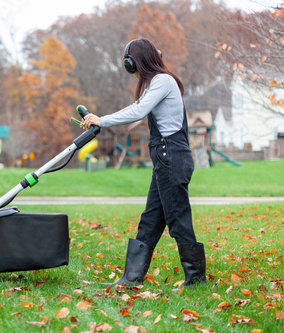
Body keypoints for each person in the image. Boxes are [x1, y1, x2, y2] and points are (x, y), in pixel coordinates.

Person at [81, 38, 206, 291]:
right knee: (150, 219)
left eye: (129, 63)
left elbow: (138, 111)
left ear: (134, 62)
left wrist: (101, 120)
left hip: (172, 158)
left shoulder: (163, 81)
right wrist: (101, 121)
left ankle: (196, 278)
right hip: (165, 159)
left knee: (178, 219)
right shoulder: (155, 84)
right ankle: (132, 277)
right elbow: (137, 108)